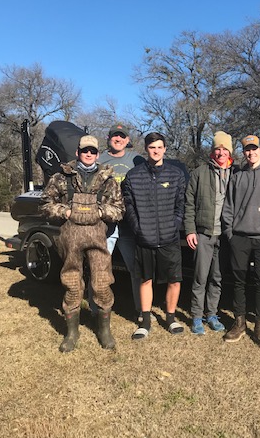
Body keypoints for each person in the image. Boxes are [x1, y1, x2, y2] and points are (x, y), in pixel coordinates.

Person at [41, 135, 124, 352]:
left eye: (93, 151)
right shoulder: (61, 178)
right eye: (85, 150)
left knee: (102, 282)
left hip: (98, 236)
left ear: (98, 154)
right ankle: (72, 332)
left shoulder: (108, 180)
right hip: (70, 237)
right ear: (78, 152)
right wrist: (64, 210)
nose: (89, 154)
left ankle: (104, 330)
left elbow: (119, 209)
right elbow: (45, 204)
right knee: (71, 282)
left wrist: (100, 211)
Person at [122, 132, 188, 339]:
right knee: (145, 280)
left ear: (165, 148)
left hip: (169, 238)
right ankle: (146, 321)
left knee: (174, 280)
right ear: (146, 150)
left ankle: (170, 318)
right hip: (145, 238)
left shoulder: (175, 174)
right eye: (152, 148)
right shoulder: (133, 175)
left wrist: (174, 225)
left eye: (160, 147)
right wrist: (137, 227)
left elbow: (181, 204)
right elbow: (128, 205)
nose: (156, 151)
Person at [222, 135, 260, 348]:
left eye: (254, 149)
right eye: (247, 150)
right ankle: (239, 322)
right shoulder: (237, 175)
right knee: (239, 281)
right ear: (243, 153)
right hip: (239, 237)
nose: (251, 153)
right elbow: (229, 205)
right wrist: (230, 233)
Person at [184, 131, 234, 335]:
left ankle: (212, 314)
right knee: (200, 277)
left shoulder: (236, 173)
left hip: (225, 235)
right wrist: (190, 230)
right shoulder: (200, 173)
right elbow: (188, 204)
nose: (221, 152)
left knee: (217, 278)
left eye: (224, 149)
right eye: (217, 149)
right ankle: (196, 316)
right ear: (212, 151)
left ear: (230, 151)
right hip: (204, 233)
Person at [96, 123, 144, 317]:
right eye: (115, 136)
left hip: (128, 223)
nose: (118, 139)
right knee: (100, 268)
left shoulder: (137, 159)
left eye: (122, 136)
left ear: (127, 140)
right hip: (106, 223)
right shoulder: (100, 159)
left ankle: (142, 310)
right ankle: (97, 308)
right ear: (109, 139)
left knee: (135, 269)